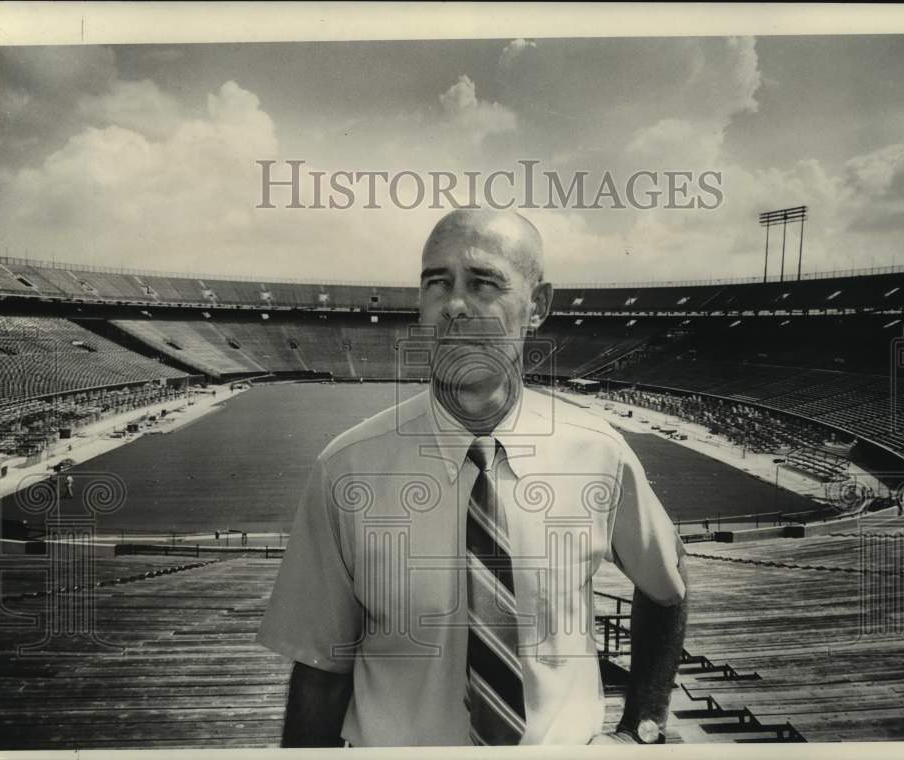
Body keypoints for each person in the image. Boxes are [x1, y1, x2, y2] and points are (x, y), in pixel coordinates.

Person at [257, 208, 688, 747]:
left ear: (539, 306)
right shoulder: (347, 469)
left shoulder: (598, 454)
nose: (455, 305)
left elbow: (667, 586)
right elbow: (320, 673)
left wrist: (642, 729)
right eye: (437, 283)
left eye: (483, 283)